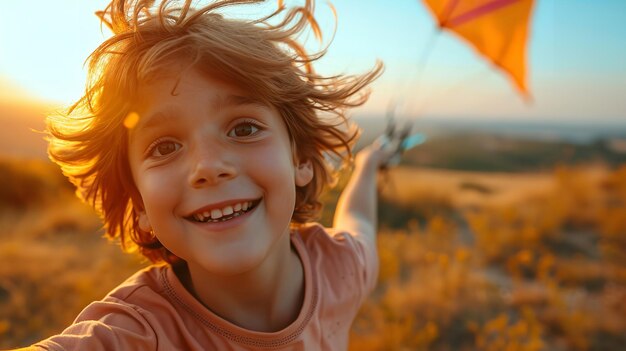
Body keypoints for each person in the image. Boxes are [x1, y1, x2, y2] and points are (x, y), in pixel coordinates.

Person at [17, 0, 389, 349]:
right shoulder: (135, 334)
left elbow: (358, 221)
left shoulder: (341, 269)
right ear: (138, 201)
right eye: (164, 147)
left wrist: (367, 165)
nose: (208, 167)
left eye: (243, 129)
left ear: (301, 159)